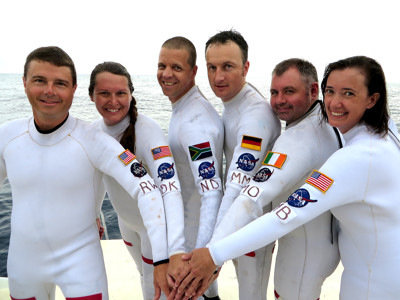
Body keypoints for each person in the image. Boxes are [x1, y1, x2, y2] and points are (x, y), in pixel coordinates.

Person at [172, 56, 400, 300]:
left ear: (372, 99)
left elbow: (273, 209)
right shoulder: (384, 130)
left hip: (357, 278)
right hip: (363, 259)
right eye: (331, 91)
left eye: (349, 94)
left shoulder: (344, 153)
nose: (334, 102)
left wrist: (213, 254)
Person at [0, 46, 168, 300]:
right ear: (24, 83)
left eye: (60, 83)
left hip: (81, 267)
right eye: (39, 81)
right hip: (24, 266)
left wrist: (163, 258)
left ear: (74, 89)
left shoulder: (94, 140)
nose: (49, 90)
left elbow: (148, 190)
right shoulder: (7, 136)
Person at [209, 58, 341, 300]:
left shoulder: (299, 138)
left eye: (289, 92)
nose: (279, 100)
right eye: (274, 92)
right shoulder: (326, 119)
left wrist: (211, 254)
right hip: (320, 241)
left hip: (303, 253)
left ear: (313, 90)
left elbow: (253, 196)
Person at [89, 61, 186, 300]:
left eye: (121, 93)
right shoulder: (93, 131)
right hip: (126, 224)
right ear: (91, 95)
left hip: (155, 230)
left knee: (155, 292)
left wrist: (169, 251)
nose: (113, 101)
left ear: (131, 95)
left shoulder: (148, 131)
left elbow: (170, 188)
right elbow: (98, 177)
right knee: (144, 278)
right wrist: (94, 214)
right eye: (104, 93)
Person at [204, 29, 281, 300]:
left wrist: (212, 249)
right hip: (236, 220)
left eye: (228, 66)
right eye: (211, 67)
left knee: (251, 294)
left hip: (254, 224)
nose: (218, 77)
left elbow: (238, 185)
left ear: (246, 67)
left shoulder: (255, 116)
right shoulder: (233, 103)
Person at [157, 36, 224, 300]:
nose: (166, 74)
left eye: (176, 67)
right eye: (162, 65)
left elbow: (211, 191)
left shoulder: (195, 124)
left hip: (190, 242)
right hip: (189, 230)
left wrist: (202, 254)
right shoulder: (185, 109)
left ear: (194, 71)